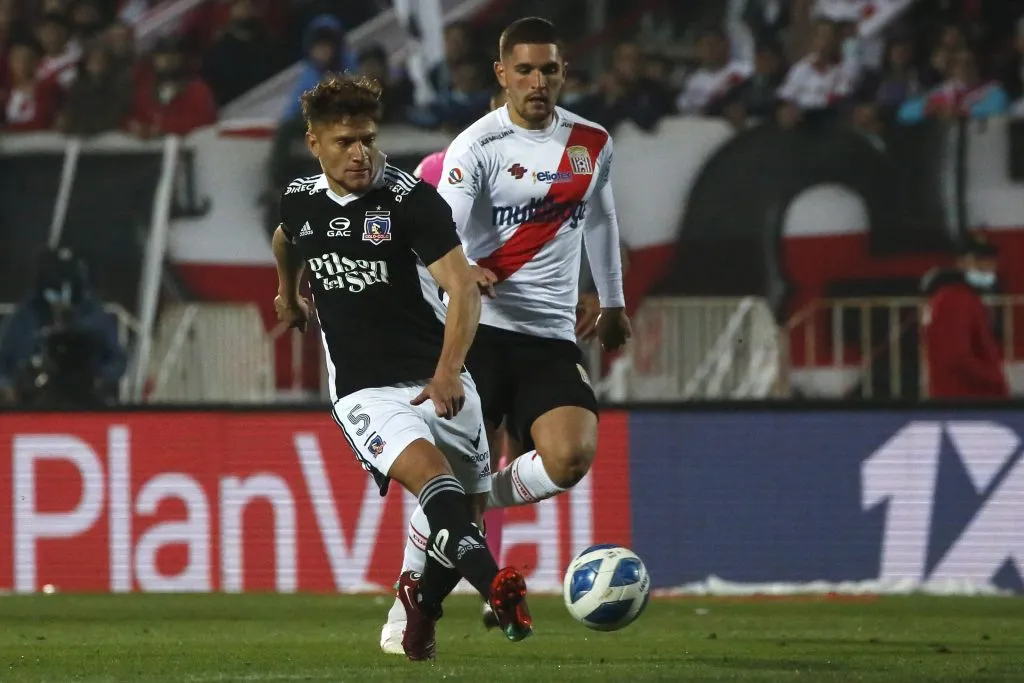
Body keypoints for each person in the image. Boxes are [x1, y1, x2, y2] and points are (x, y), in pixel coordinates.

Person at [380, 16, 630, 649]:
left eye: (548, 69)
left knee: (571, 456)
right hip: (479, 335)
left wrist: (613, 300)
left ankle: (445, 508)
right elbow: (442, 232)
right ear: (502, 75)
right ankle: (411, 610)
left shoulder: (592, 143)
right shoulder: (476, 147)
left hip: (548, 338)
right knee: (464, 506)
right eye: (524, 69)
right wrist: (465, 267)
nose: (538, 81)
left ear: (563, 72)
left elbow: (599, 220)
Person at [272, 74, 531, 662]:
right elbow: (287, 238)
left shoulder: (410, 202)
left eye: (366, 138)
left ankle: (420, 604)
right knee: (433, 483)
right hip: (367, 392)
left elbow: (462, 290)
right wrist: (287, 295)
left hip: (441, 377)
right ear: (315, 143)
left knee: (466, 512)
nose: (360, 152)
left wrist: (446, 372)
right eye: (344, 142)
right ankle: (496, 587)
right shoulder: (300, 197)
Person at [0, 247, 126, 407]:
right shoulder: (25, 316)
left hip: (85, 398)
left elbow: (117, 360)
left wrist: (101, 378)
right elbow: (3, 360)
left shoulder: (94, 313)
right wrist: (7, 385)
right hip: (34, 401)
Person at [921, 237, 1009, 399]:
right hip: (965, 400)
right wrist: (995, 380)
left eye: (990, 261)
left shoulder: (960, 298)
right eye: (979, 260)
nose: (988, 267)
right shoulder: (954, 300)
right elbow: (957, 356)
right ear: (960, 263)